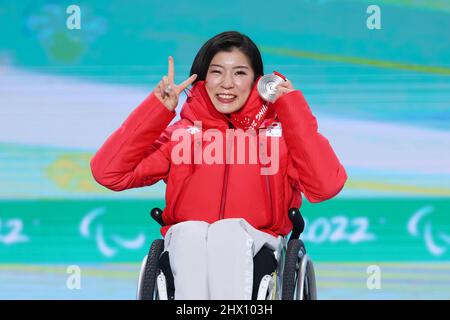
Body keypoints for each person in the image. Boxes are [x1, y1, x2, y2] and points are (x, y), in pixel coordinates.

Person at [90, 31, 347, 299]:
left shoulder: (277, 137)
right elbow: (107, 172)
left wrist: (291, 108)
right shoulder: (181, 135)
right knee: (190, 231)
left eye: (239, 73)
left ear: (257, 82)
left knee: (227, 233)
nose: (227, 84)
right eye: (217, 72)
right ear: (203, 78)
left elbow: (326, 185)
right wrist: (156, 110)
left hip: (258, 246)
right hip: (187, 246)